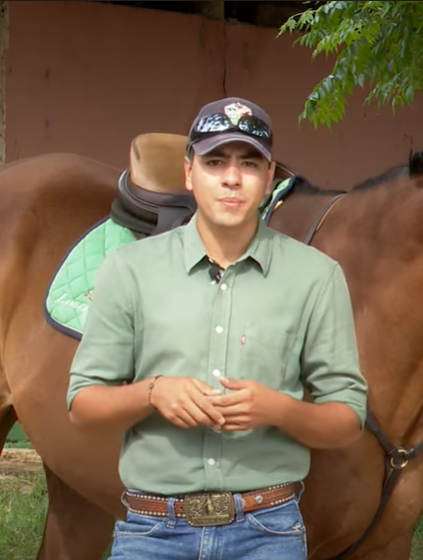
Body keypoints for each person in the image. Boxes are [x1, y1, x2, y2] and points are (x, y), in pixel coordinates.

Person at [66, 97, 368, 559]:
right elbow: (83, 407)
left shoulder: (317, 276)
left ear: (270, 178)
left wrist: (279, 410)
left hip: (267, 531)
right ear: (189, 173)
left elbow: (347, 419)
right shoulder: (128, 270)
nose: (231, 177)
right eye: (214, 162)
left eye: (249, 163)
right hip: (153, 533)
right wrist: (152, 393)